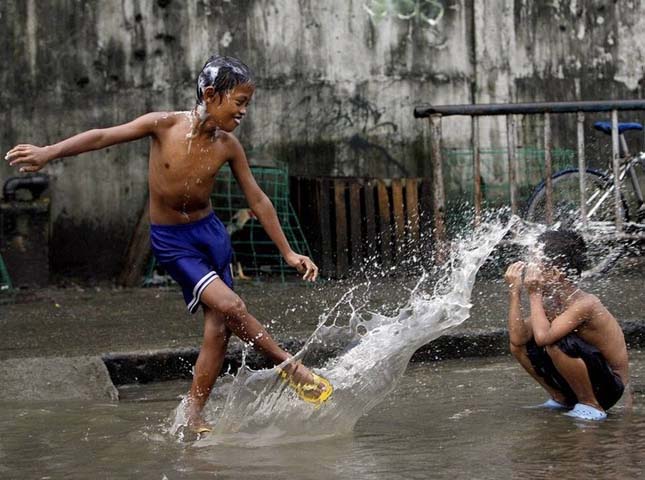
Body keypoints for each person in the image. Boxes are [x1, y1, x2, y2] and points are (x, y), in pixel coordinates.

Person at [5, 54, 333, 432]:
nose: (244, 112)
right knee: (232, 304)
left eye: (247, 104)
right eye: (240, 102)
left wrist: (288, 252)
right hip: (174, 243)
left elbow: (258, 200)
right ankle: (289, 367)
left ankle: (193, 415)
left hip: (210, 237)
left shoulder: (228, 146)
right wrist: (49, 152)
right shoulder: (162, 126)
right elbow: (101, 136)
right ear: (211, 95)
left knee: (219, 329)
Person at [504, 230, 629, 420]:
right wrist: (514, 292)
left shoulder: (585, 304)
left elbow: (544, 337)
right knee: (518, 346)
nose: (531, 271)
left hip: (609, 388)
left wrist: (534, 294)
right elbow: (518, 338)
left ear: (556, 273)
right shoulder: (553, 302)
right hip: (582, 380)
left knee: (555, 342)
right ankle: (560, 397)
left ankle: (591, 404)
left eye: (537, 265)